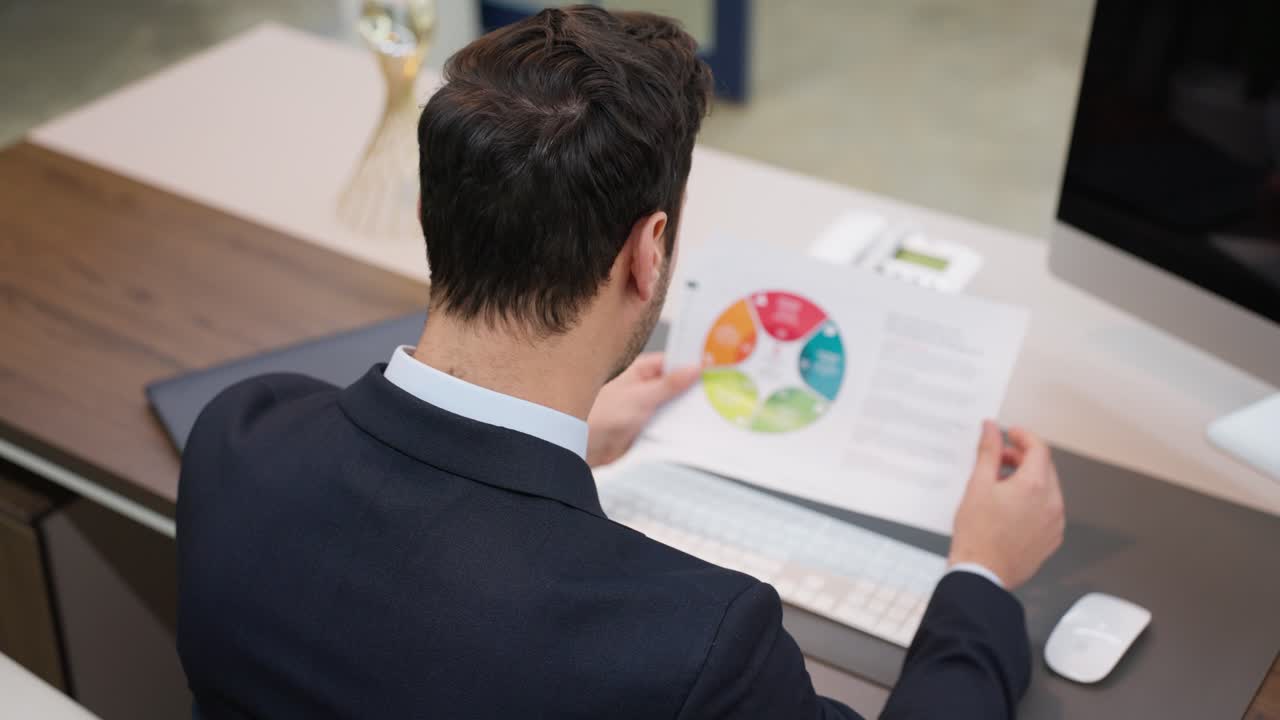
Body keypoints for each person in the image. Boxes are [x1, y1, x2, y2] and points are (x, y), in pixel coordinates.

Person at [176, 6, 1064, 719]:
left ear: (426, 211)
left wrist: (563, 442)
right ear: (648, 251)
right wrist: (981, 575)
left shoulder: (241, 439)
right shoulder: (694, 646)